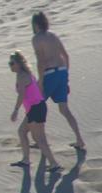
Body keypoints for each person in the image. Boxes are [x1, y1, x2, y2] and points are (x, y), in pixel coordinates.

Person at [31, 10, 86, 150]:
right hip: (61, 72)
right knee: (64, 109)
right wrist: (66, 79)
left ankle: (40, 141)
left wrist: (41, 81)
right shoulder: (53, 36)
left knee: (37, 108)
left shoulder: (37, 38)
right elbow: (66, 56)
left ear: (36, 24)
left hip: (49, 74)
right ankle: (79, 139)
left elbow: (40, 61)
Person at [8, 50, 62, 172]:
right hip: (37, 107)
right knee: (22, 131)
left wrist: (15, 110)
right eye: (9, 63)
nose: (10, 66)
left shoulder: (22, 76)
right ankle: (26, 159)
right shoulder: (25, 73)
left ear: (19, 64)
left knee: (39, 139)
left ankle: (54, 163)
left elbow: (21, 95)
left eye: (12, 63)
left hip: (36, 109)